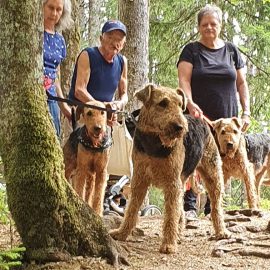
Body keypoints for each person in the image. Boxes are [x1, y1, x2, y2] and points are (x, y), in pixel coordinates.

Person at [177, 4, 251, 219]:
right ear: (199, 27)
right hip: (198, 116)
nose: (209, 27)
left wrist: (246, 111)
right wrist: (189, 103)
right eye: (204, 24)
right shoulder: (191, 50)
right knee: (194, 157)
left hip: (227, 117)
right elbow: (184, 80)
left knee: (222, 161)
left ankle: (214, 207)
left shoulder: (231, 50)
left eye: (213, 24)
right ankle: (189, 207)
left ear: (220, 26)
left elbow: (242, 83)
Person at [68, 20, 128, 126]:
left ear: (123, 44)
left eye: (119, 39)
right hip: (81, 114)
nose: (114, 43)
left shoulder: (122, 61)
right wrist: (102, 108)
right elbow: (79, 90)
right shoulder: (88, 55)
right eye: (110, 37)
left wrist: (117, 105)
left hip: (105, 118)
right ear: (101, 39)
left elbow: (124, 94)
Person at [43, 0, 73, 138]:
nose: (54, 13)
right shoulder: (32, 33)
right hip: (32, 95)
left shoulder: (60, 41)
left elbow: (56, 78)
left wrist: (64, 108)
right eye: (50, 7)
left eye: (58, 9)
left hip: (52, 98)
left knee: (54, 137)